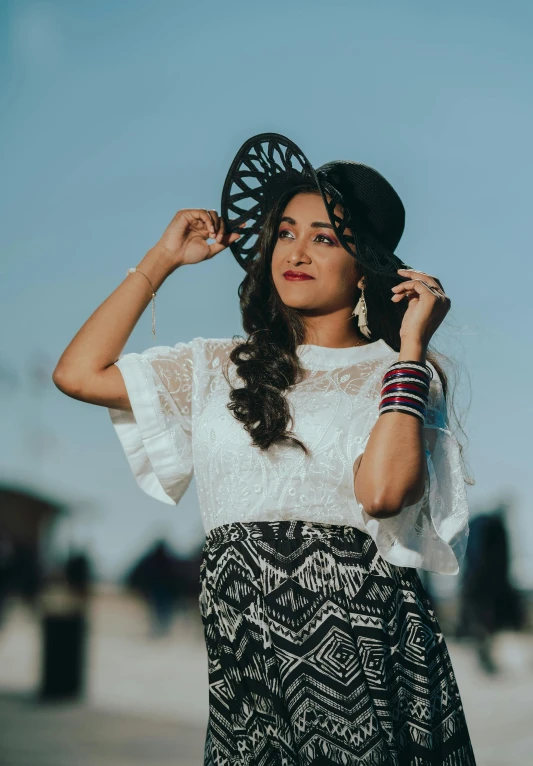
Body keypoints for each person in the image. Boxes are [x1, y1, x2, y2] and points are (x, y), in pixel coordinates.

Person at [52, 132, 476, 764]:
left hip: (356, 658)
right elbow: (78, 373)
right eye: (285, 231)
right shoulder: (216, 367)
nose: (296, 251)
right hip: (242, 665)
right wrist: (161, 259)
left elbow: (385, 495)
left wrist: (410, 353)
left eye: (325, 238)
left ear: (367, 265)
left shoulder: (396, 377)